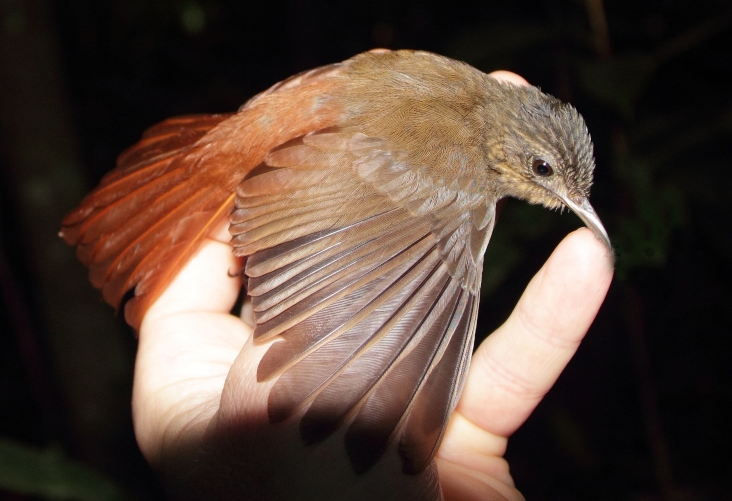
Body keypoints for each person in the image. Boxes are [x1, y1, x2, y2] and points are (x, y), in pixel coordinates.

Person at [128, 71, 615, 500]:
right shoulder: (461, 169)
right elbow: (410, 279)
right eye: (544, 171)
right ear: (510, 145)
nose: (555, 192)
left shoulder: (463, 88)